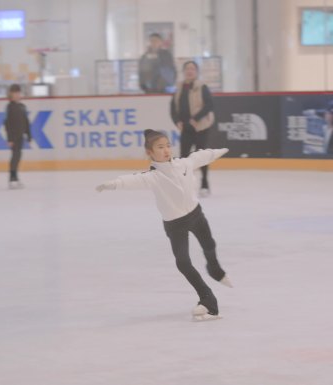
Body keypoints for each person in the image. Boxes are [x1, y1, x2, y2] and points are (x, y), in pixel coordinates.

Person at [95, 129, 232, 321]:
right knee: (183, 262)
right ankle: (208, 299)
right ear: (150, 153)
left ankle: (215, 269)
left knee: (209, 244)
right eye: (160, 147)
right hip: (175, 224)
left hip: (195, 214)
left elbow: (200, 156)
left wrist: (218, 151)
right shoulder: (153, 176)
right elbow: (131, 180)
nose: (166, 150)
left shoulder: (184, 164)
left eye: (168, 145)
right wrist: (112, 183)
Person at [170, 61, 216, 197]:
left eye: (192, 69)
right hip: (185, 128)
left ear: (196, 72)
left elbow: (209, 105)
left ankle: (204, 184)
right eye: (187, 69)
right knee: (184, 157)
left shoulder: (202, 87)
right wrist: (176, 121)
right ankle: (184, 185)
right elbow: (173, 107)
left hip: (200, 127)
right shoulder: (179, 88)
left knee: (201, 157)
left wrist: (196, 118)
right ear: (184, 72)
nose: (190, 71)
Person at [4, 84, 32, 189]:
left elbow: (26, 122)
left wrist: (29, 135)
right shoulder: (9, 107)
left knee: (18, 156)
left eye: (18, 92)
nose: (17, 94)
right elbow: (7, 123)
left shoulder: (22, 106)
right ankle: (12, 178)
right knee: (15, 156)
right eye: (14, 93)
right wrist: (10, 138)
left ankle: (15, 177)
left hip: (21, 135)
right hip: (13, 136)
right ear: (11, 94)